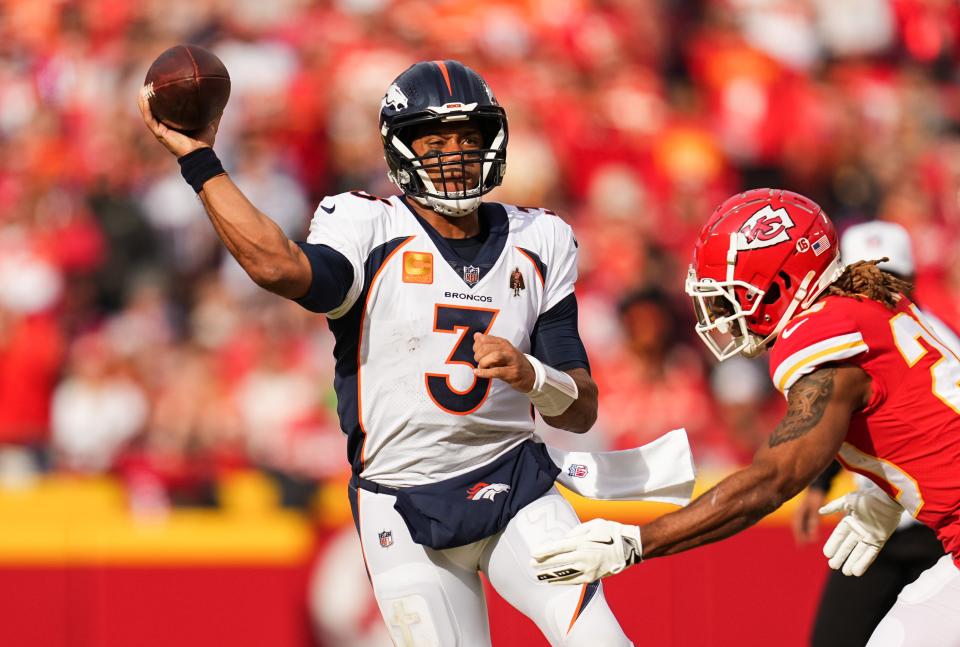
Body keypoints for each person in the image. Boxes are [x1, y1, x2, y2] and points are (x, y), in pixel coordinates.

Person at [139, 59, 632, 646]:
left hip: (515, 485)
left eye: (467, 138)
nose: (455, 154)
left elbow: (580, 410)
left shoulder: (540, 238)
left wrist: (533, 375)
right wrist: (200, 162)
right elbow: (279, 266)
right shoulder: (366, 224)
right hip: (402, 499)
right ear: (402, 149)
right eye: (436, 139)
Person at [531, 189, 960, 646]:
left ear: (779, 287)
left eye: (730, 296)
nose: (721, 314)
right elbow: (921, 416)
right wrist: (886, 493)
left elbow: (772, 479)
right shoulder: (866, 306)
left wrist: (636, 543)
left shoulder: (821, 337)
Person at [792, 220, 954, 647]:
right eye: (865, 275)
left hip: (934, 524)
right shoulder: (857, 334)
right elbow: (841, 416)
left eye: (890, 277)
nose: (878, 287)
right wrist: (821, 485)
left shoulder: (928, 332)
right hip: (876, 519)